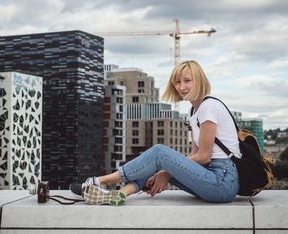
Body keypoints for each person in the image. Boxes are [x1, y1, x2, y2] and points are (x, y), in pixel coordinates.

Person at [70, 60, 241, 205]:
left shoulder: (209, 106)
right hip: (210, 177)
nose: (181, 87)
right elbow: (195, 155)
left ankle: (102, 181)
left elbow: (204, 157)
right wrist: (165, 171)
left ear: (199, 80)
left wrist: (167, 171)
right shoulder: (193, 112)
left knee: (159, 152)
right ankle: (119, 194)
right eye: (177, 82)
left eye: (187, 81)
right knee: (154, 166)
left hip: (222, 181)